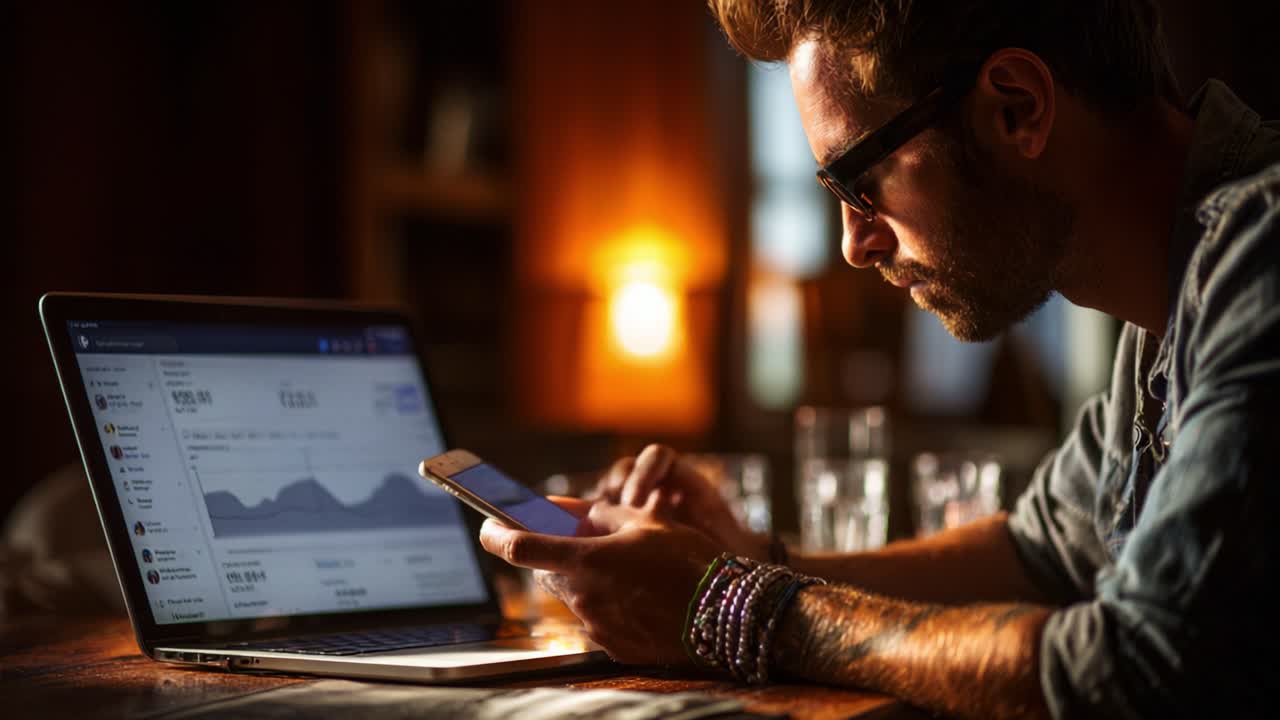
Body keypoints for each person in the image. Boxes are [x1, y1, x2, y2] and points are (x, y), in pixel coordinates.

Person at [479, 1, 1280, 718]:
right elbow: (1039, 554)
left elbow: (1134, 672)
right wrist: (753, 556)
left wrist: (726, 602)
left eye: (862, 183)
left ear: (1017, 107)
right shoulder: (1169, 291)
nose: (853, 245)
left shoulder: (1262, 255)